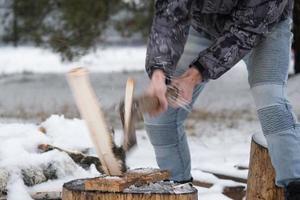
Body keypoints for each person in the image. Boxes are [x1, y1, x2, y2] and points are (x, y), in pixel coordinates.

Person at [144, 0, 299, 199]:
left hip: (264, 27)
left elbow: (247, 30)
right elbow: (169, 14)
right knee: (161, 118)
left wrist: (194, 75)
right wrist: (159, 74)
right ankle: (178, 190)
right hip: (203, 27)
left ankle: (295, 187)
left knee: (271, 101)